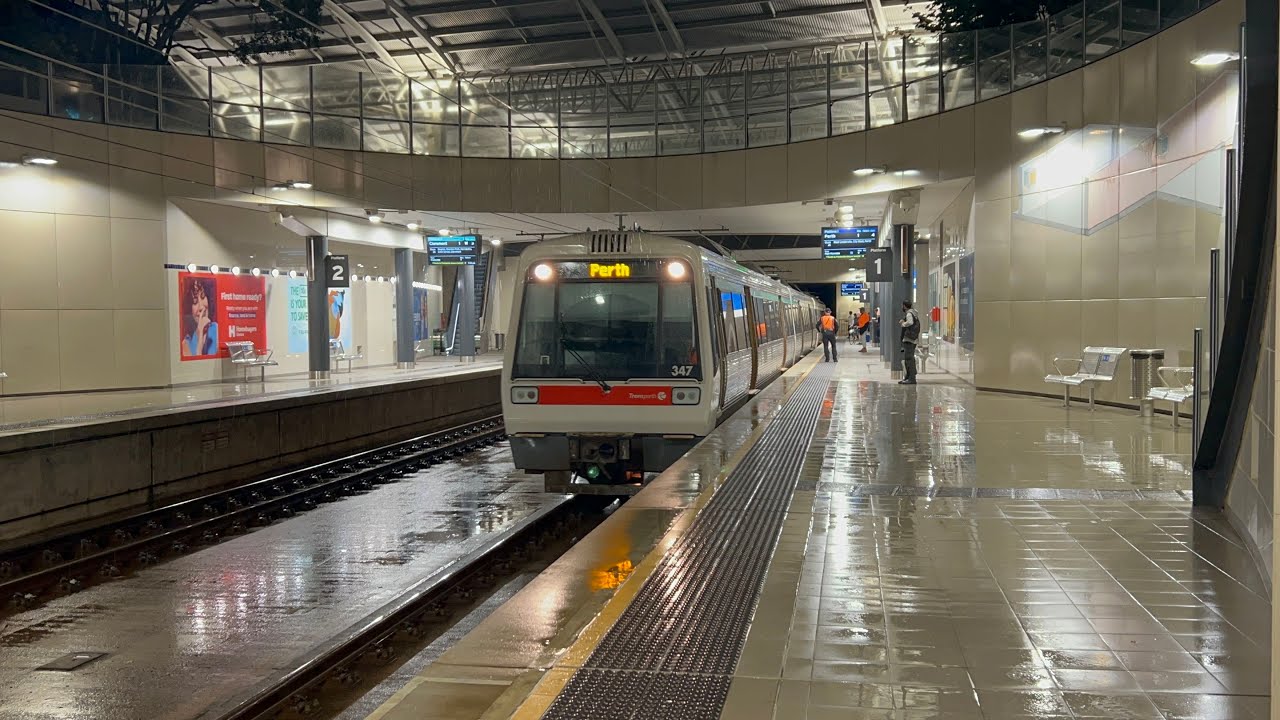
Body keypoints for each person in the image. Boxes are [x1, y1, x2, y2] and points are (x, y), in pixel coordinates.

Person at [182, 276, 219, 357]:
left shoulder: (218, 331)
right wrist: (199, 338)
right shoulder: (186, 344)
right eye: (195, 302)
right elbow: (195, 367)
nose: (201, 307)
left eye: (203, 297)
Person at [899, 300, 921, 384]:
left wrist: (903, 323)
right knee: (909, 358)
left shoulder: (909, 314)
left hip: (909, 339)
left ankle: (911, 378)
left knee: (909, 358)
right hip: (913, 339)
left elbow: (910, 322)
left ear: (904, 306)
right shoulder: (914, 313)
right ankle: (909, 377)